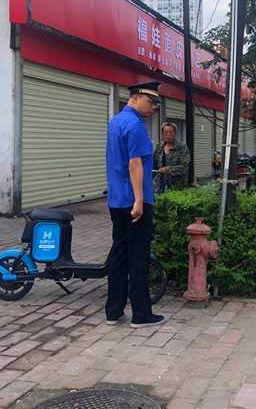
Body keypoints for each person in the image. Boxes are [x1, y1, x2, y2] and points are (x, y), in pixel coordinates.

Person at [105, 81, 165, 328]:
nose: (153, 109)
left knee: (119, 255)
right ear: (137, 97)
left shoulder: (115, 122)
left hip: (117, 201)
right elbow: (135, 164)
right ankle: (141, 314)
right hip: (134, 202)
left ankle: (113, 310)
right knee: (137, 256)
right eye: (151, 103)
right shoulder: (135, 126)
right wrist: (139, 200)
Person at [154, 122, 191, 192]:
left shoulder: (182, 147)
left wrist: (168, 169)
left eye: (170, 132)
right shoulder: (159, 147)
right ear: (162, 133)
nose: (168, 135)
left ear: (175, 133)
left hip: (177, 187)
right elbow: (154, 164)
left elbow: (184, 167)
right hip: (160, 185)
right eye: (165, 132)